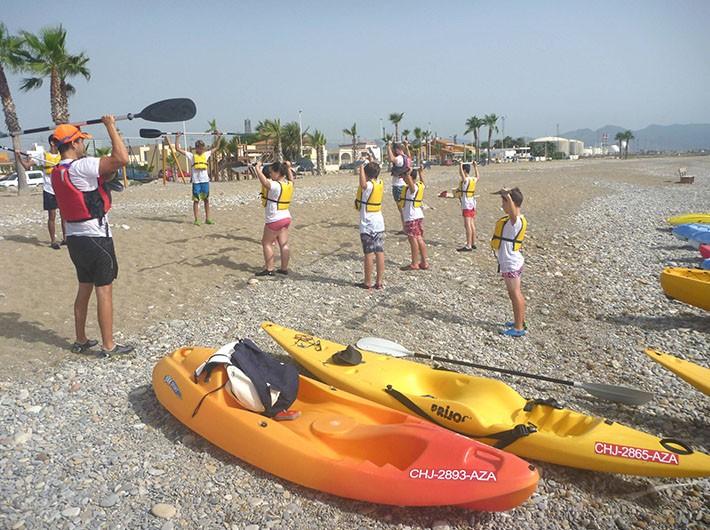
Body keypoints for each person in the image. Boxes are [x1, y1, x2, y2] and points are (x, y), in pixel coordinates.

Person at [50, 116, 134, 356]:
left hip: (75, 239)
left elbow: (101, 177)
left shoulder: (58, 171)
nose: (83, 144)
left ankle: (81, 339)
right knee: (103, 289)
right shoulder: (81, 166)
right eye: (80, 141)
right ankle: (109, 345)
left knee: (84, 287)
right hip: (96, 237)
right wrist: (110, 125)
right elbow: (122, 158)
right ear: (73, 144)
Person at [16, 135, 66, 249]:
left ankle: (65, 238)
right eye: (58, 141)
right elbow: (27, 166)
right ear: (52, 143)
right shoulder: (42, 155)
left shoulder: (62, 155)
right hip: (49, 189)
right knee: (52, 216)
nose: (60, 144)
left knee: (64, 216)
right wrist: (19, 157)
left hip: (61, 189)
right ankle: (53, 241)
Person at [491, 187, 527, 337]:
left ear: (511, 203)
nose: (502, 205)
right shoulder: (515, 220)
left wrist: (508, 196)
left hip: (511, 263)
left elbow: (512, 212)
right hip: (512, 261)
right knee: (514, 293)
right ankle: (519, 320)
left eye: (504, 202)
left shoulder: (515, 221)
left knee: (515, 293)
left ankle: (518, 328)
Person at [251, 160, 294, 276]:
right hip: (286, 217)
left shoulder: (275, 186)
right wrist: (288, 168)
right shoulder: (289, 184)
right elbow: (291, 179)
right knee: (284, 244)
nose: (270, 174)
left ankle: (269, 269)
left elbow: (264, 182)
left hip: (275, 219)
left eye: (272, 172)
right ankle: (284, 269)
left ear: (278, 173)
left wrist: (257, 169)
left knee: (266, 243)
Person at [174, 132, 221, 225]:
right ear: (196, 148)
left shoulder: (206, 154)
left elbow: (216, 147)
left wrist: (218, 137)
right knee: (196, 200)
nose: (201, 149)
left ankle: (207, 219)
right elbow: (177, 149)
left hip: (205, 181)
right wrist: (177, 137)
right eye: (199, 147)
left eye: (202, 147)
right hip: (196, 182)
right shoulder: (191, 156)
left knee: (206, 200)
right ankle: (196, 219)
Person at [355, 154, 385, 289]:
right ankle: (379, 281)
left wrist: (361, 168)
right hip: (379, 222)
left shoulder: (368, 186)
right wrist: (370, 162)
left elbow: (362, 184)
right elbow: (375, 171)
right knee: (379, 251)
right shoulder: (380, 183)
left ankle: (367, 282)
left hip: (367, 223)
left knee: (368, 252)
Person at [398, 165, 429, 270]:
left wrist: (408, 174)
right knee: (419, 238)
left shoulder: (413, 188)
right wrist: (421, 172)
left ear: (409, 177)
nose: (403, 178)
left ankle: (415, 263)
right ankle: (424, 262)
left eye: (405, 176)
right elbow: (423, 182)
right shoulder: (420, 186)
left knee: (413, 239)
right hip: (418, 215)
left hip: (411, 217)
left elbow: (411, 187)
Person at [386, 140, 411, 231]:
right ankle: (406, 227)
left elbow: (391, 159)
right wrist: (406, 146)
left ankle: (405, 228)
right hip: (404, 184)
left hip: (398, 185)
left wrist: (388, 147)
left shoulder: (400, 158)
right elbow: (409, 155)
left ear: (397, 150)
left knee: (401, 209)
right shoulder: (406, 157)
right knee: (405, 207)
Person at [456, 160, 480, 251]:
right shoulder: (473, 179)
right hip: (472, 203)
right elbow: (478, 176)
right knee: (472, 223)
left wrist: (460, 165)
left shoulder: (466, 180)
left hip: (466, 204)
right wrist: (475, 166)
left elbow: (461, 174)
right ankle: (473, 243)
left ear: (464, 171)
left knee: (467, 225)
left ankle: (468, 245)